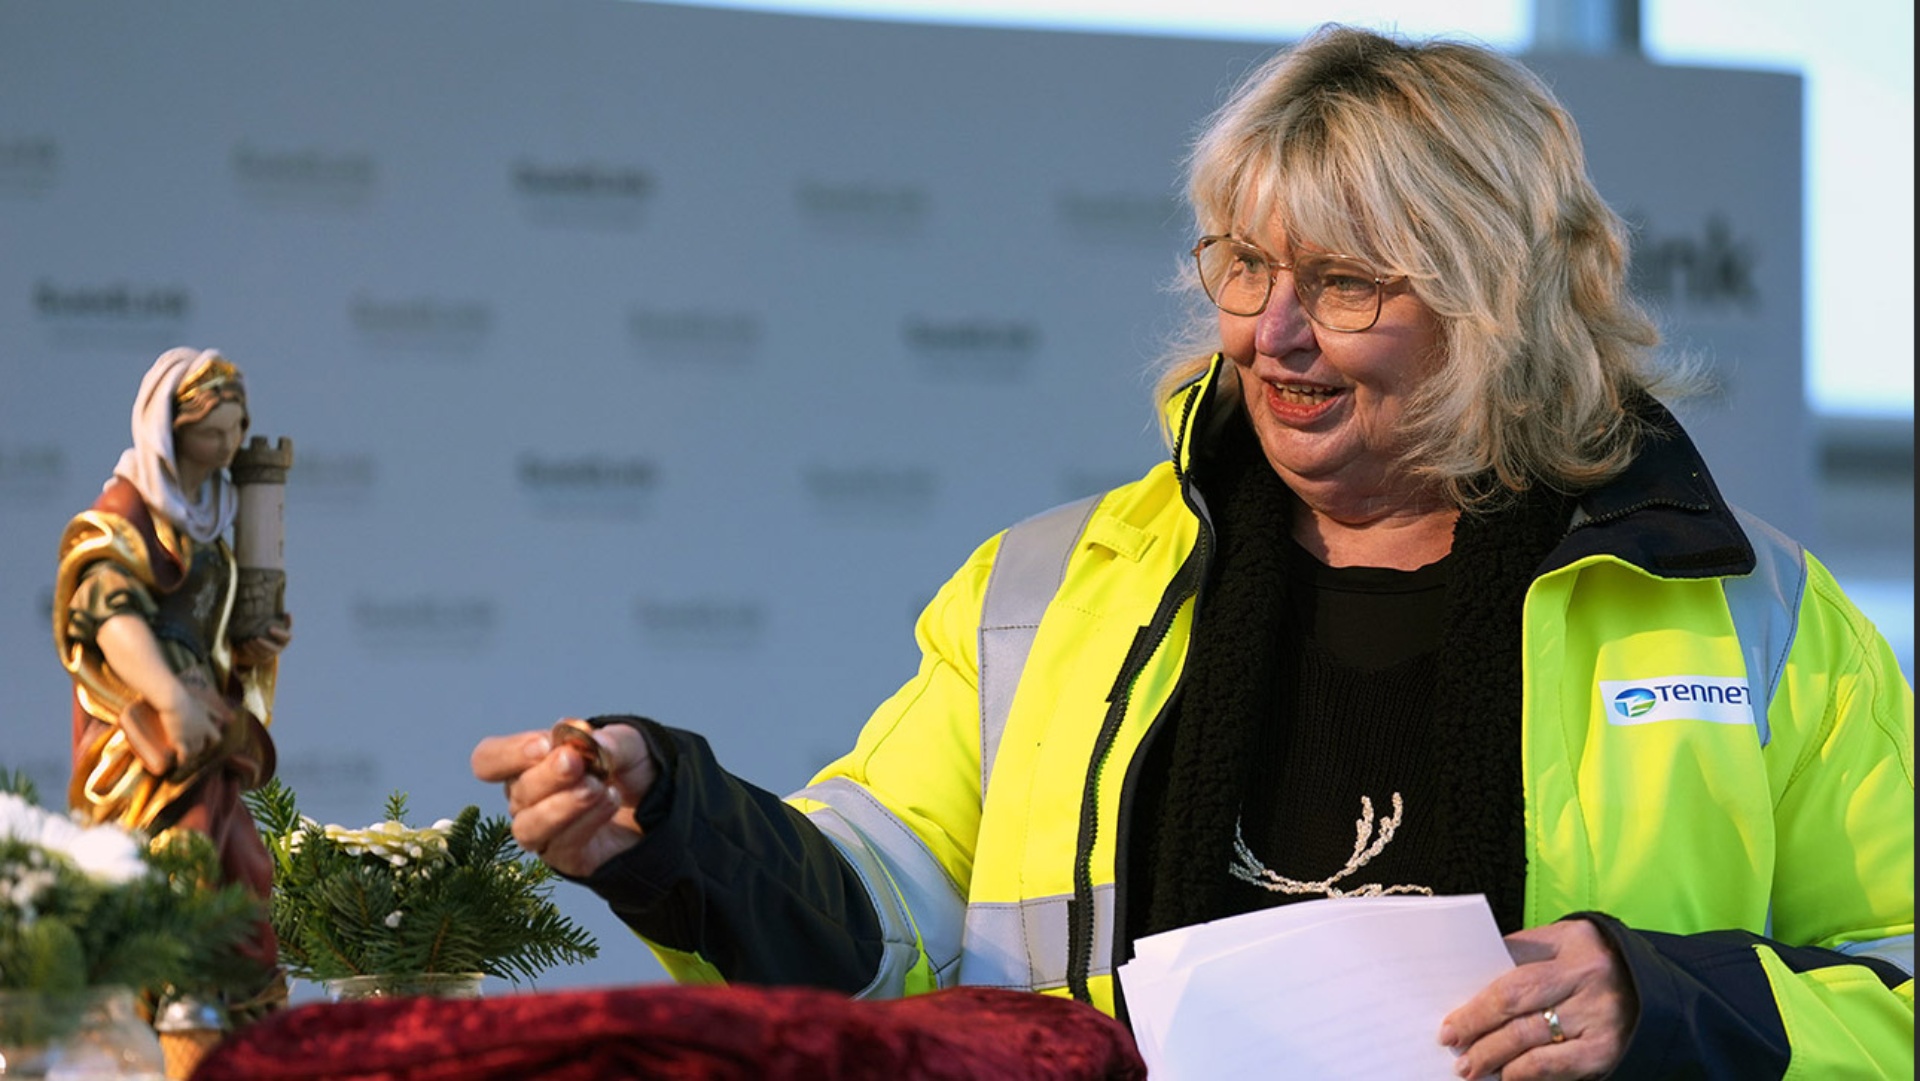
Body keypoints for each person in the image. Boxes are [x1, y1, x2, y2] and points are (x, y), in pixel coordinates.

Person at [473, 24, 1913, 1080]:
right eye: (1245, 265)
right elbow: (871, 923)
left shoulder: (1749, 614)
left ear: (1499, 304)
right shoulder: (1046, 591)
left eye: (1344, 283)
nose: (1273, 333)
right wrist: (677, 825)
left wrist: (1669, 1005)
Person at [55, 347, 293, 1018]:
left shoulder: (210, 519)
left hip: (206, 731)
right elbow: (108, 615)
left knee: (245, 866)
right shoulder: (124, 514)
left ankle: (243, 1024)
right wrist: (166, 696)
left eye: (237, 430)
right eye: (213, 432)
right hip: (146, 742)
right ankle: (158, 1020)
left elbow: (211, 633)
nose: (229, 446)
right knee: (173, 866)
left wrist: (250, 650)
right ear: (170, 427)